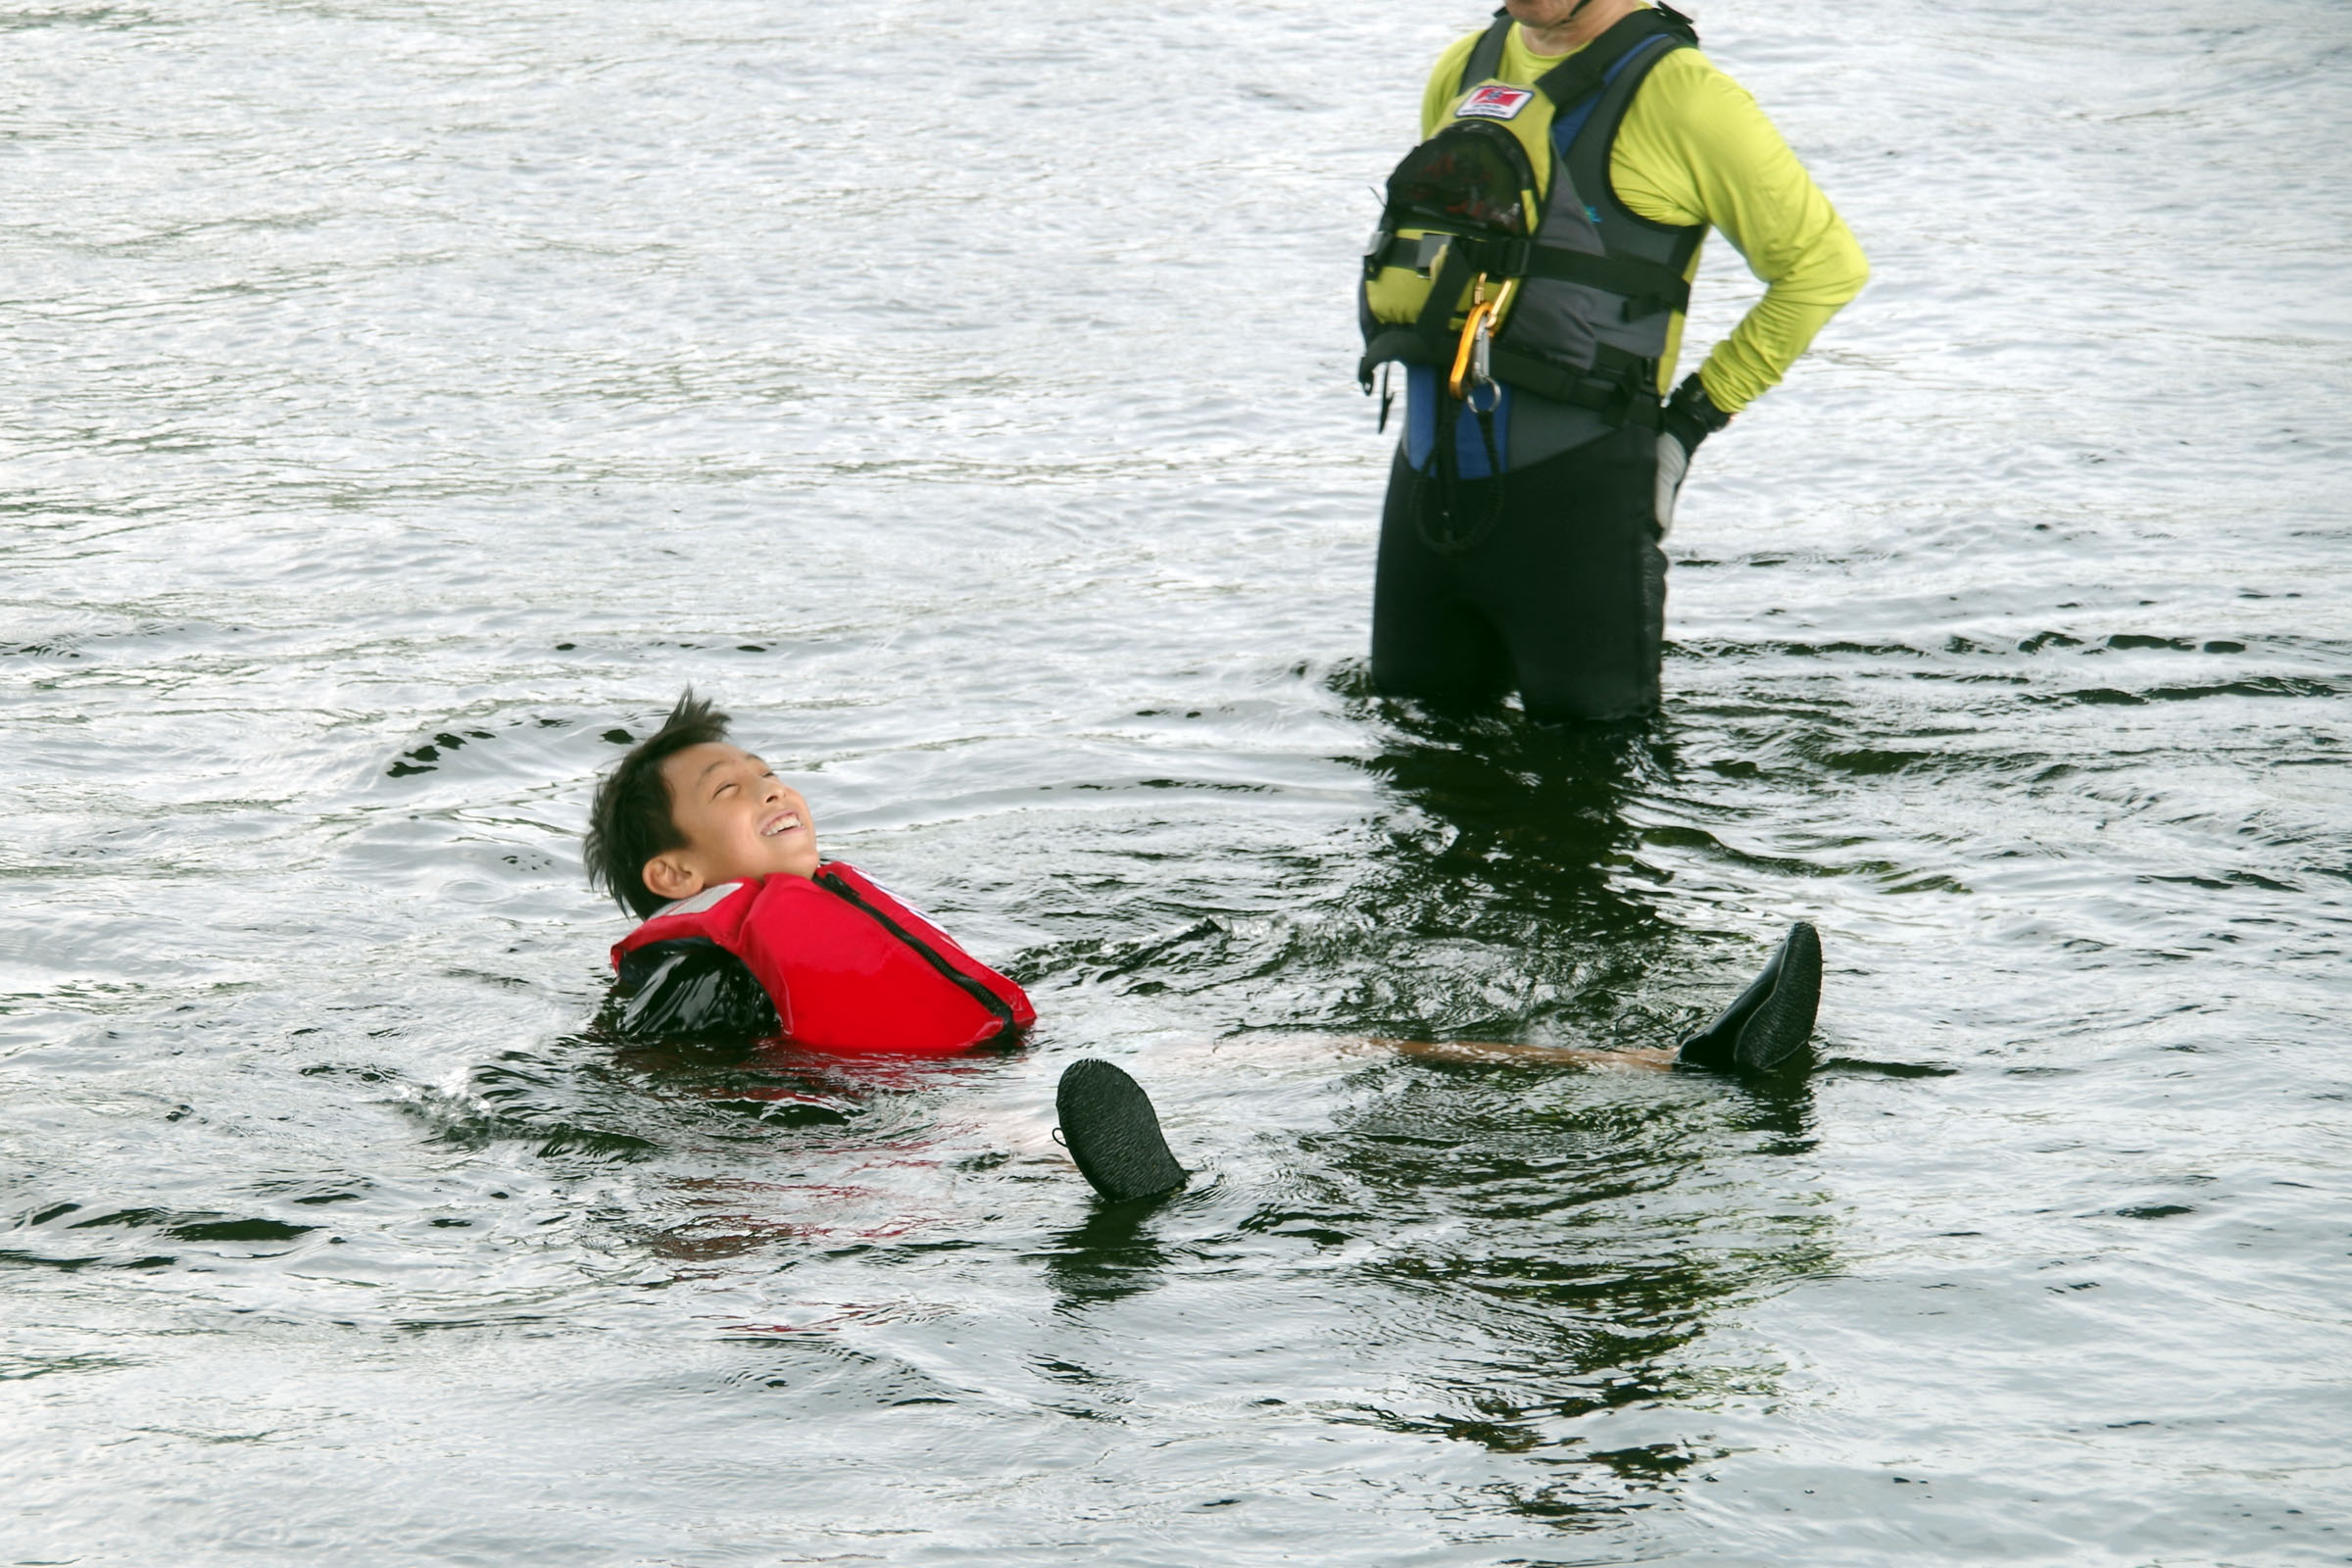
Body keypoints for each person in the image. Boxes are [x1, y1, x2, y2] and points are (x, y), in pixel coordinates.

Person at [586, 692, 1823, 1201]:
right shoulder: (694, 963)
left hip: (1009, 1067)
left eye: (769, 772)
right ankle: (1149, 1193)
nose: (773, 790)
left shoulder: (788, 908)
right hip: (916, 1116)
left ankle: (1686, 1064)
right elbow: (683, 1093)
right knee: (1040, 1131)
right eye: (732, 791)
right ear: (677, 873)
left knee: (1313, 1041)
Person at [1358, 0, 1868, 721]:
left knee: (1593, 778)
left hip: (1582, 494)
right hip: (1427, 482)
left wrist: (1687, 426)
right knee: (1413, 756)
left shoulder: (1687, 98)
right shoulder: (1466, 69)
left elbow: (1824, 268)